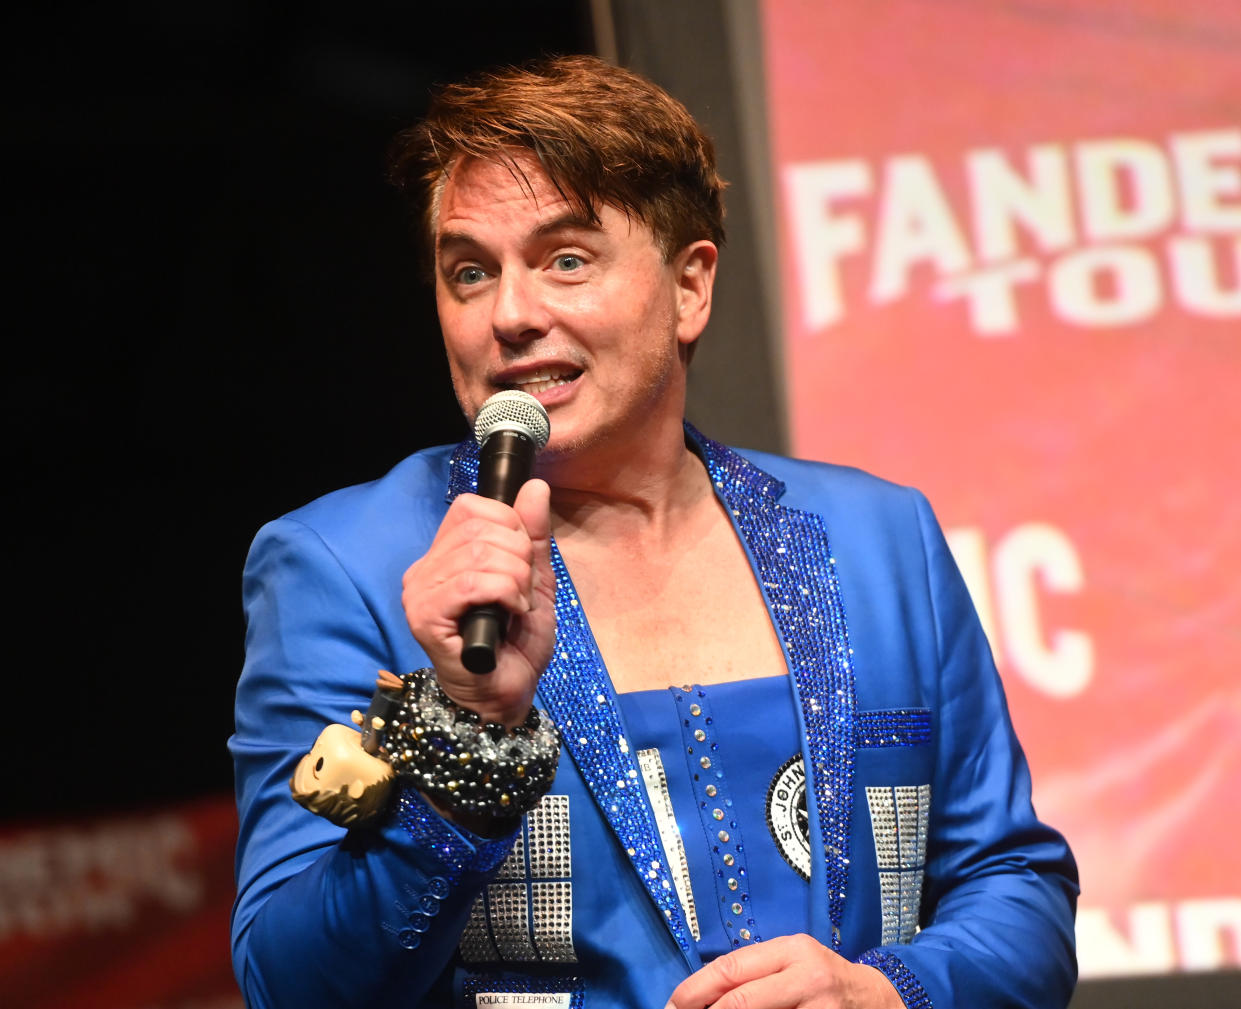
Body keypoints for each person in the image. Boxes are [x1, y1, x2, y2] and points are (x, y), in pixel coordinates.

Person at [229, 54, 1078, 1009]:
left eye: (565, 260)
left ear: (689, 288)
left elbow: (1017, 890)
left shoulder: (877, 540)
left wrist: (888, 992)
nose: (509, 314)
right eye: (470, 272)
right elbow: (289, 983)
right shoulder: (347, 566)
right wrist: (465, 735)